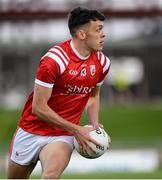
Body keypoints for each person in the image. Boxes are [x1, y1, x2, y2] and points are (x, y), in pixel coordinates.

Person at [8, 6, 111, 179]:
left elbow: (93, 95)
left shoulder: (102, 62)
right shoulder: (54, 61)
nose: (103, 34)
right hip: (30, 130)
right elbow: (38, 108)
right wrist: (77, 129)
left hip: (62, 135)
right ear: (82, 34)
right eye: (98, 29)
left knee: (50, 176)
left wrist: (94, 126)